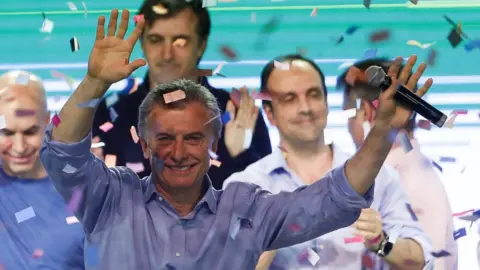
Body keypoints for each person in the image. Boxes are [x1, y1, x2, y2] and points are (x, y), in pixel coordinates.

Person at [39, 9, 432, 269]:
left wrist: (382, 130)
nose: (178, 152)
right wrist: (94, 81)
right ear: (142, 144)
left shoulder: (248, 208)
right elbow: (63, 154)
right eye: (164, 138)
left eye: (194, 138)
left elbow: (335, 197)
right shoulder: (108, 198)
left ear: (213, 144)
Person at [223, 54, 433, 270]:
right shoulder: (243, 187)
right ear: (270, 113)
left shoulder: (380, 177)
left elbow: (420, 261)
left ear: (326, 102)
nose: (305, 107)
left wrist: (382, 241)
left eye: (313, 95)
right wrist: (268, 235)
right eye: (290, 99)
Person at [91, 0, 271, 189]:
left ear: (201, 45)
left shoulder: (239, 114)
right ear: (142, 43)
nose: (167, 54)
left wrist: (240, 158)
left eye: (180, 41)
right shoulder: (106, 113)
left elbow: (262, 205)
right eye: (156, 40)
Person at [337, 58, 457, 270]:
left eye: (349, 113)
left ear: (367, 111)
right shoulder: (413, 173)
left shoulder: (402, 183)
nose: (348, 127)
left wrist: (381, 243)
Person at [0, 71, 84, 269]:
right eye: (6, 133)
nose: (19, 147)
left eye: (30, 132)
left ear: (47, 121)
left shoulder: (88, 187)